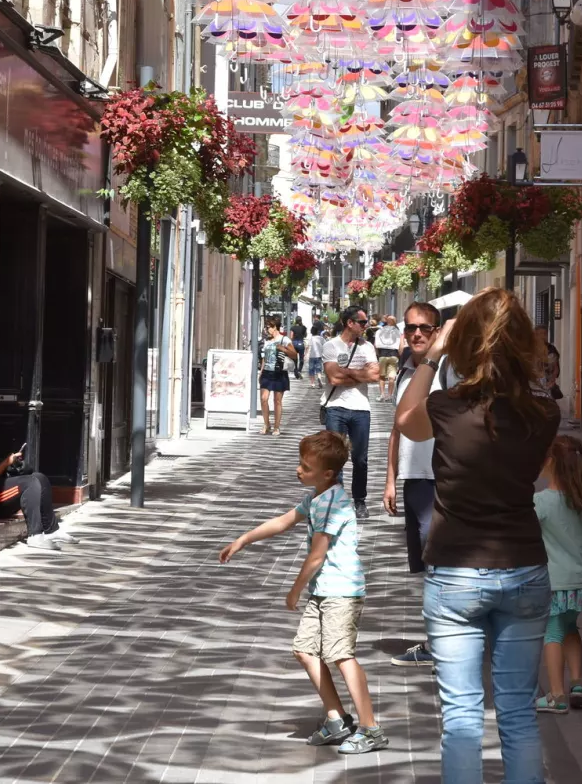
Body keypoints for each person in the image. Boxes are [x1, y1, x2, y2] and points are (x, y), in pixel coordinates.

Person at [395, 287, 560, 784]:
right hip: (524, 567)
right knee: (517, 714)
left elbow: (406, 421)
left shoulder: (446, 407)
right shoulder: (544, 412)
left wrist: (432, 357)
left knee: (463, 717)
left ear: (464, 341)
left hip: (456, 573)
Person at [218, 431, 389, 755]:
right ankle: (337, 718)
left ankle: (371, 728)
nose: (299, 470)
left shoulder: (332, 503)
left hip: (340, 591)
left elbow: (317, 555)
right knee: (304, 649)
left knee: (341, 656)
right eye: (300, 464)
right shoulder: (317, 497)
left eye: (306, 467)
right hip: (324, 591)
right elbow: (284, 521)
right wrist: (242, 540)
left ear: (327, 474)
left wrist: (294, 591)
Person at [382, 301, 443, 668]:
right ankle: (438, 639)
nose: (416, 333)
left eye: (424, 328)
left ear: (437, 332)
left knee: (438, 563)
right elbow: (397, 428)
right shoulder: (406, 373)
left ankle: (440, 643)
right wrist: (390, 479)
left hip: (441, 479)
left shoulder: (447, 371)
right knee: (426, 564)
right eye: (410, 328)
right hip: (414, 480)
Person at [533, 435, 582, 713]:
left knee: (552, 633)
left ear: (551, 463)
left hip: (556, 582)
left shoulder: (541, 502)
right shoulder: (581, 499)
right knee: (571, 628)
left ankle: (556, 695)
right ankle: (576, 683)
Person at [321, 306, 380, 515]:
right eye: (363, 323)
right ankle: (337, 501)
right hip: (335, 407)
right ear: (350, 323)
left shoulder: (367, 347)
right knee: (335, 457)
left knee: (360, 458)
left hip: (361, 408)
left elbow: (374, 376)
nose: (366, 326)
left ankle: (360, 500)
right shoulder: (331, 346)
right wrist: (360, 373)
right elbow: (333, 378)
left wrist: (346, 372)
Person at [0, 447, 73, 552]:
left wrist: (13, 463)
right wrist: (6, 462)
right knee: (29, 483)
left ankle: (52, 530)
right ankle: (35, 535)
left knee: (39, 477)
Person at [259, 318, 298, 436]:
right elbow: (264, 358)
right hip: (267, 372)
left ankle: (276, 427)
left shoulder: (284, 339)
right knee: (264, 398)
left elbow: (294, 355)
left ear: (275, 327)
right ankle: (266, 424)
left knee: (277, 401)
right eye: (266, 327)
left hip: (279, 372)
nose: (267, 329)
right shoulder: (267, 341)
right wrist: (261, 372)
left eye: (268, 327)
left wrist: (283, 349)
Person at [375, 315, 402, 388]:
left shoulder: (380, 330)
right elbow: (400, 344)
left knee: (381, 377)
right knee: (392, 377)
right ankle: (390, 395)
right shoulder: (398, 331)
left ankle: (382, 395)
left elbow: (376, 344)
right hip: (394, 354)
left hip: (382, 354)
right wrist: (400, 356)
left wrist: (377, 354)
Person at [307, 320, 329, 387]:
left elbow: (307, 347)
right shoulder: (321, 338)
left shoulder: (311, 338)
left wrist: (305, 354)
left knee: (311, 370)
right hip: (319, 356)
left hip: (311, 356)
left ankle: (312, 383)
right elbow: (325, 345)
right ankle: (319, 378)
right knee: (318, 369)